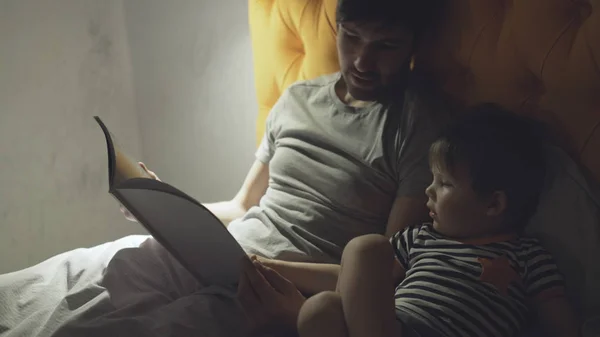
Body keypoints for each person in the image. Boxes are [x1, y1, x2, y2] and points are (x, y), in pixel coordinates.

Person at [119, 0, 445, 335]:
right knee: (98, 272)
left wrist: (263, 273)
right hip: (226, 257)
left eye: (386, 46)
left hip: (274, 289)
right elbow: (243, 206)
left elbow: (385, 268)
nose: (362, 61)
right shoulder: (297, 98)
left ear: (414, 45)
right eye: (351, 37)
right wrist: (165, 206)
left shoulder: (420, 128)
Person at [247, 104, 580, 337]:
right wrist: (270, 265)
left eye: (445, 183)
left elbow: (560, 326)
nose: (429, 191)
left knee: (367, 248)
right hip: (392, 329)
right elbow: (353, 282)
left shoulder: (527, 256)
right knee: (320, 309)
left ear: (494, 204)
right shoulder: (420, 238)